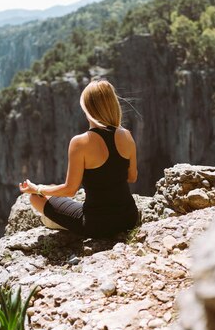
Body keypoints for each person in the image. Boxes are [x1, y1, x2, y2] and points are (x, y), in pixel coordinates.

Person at [19, 79, 139, 238]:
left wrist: (37, 188)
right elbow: (132, 177)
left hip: (97, 224)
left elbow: (70, 190)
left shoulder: (80, 142)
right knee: (54, 189)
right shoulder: (127, 136)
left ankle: (58, 223)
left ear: (87, 109)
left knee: (36, 199)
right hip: (129, 218)